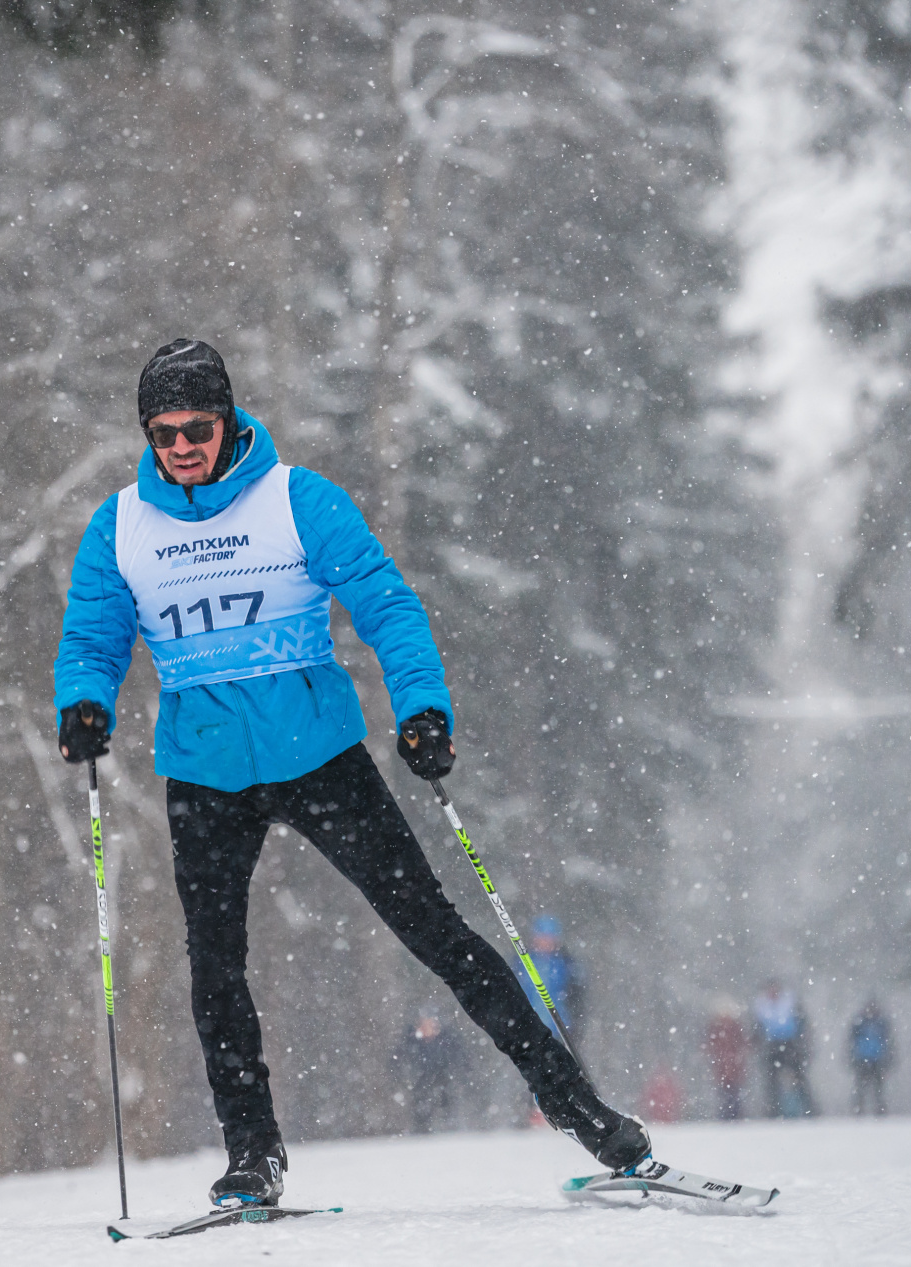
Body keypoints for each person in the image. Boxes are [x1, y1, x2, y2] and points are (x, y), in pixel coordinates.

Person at [52, 339, 650, 1209]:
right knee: (215, 969)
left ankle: (587, 1115)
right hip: (205, 773)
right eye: (164, 431)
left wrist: (423, 708)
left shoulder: (298, 500)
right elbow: (92, 635)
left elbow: (387, 604)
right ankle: (252, 1156)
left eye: (197, 427)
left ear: (227, 420)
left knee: (437, 933)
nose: (181, 445)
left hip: (319, 758)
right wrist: (84, 700)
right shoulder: (121, 527)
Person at [751, 979, 814, 1118]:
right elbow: (758, 1026)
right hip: (771, 1044)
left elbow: (802, 1022)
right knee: (771, 1081)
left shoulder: (790, 1002)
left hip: (790, 1043)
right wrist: (757, 1042)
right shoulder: (761, 1005)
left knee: (799, 1078)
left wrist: (802, 1042)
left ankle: (810, 1110)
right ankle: (773, 1112)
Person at [397, 1007, 464, 1133]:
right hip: (420, 1087)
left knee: (449, 1114)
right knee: (422, 1115)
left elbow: (461, 1061)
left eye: (434, 1022)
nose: (432, 1025)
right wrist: (408, 1080)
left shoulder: (447, 1040)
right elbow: (398, 1063)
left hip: (444, 1084)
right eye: (427, 1022)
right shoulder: (411, 1042)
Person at [522, 914, 586, 1040]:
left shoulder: (567, 964)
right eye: (541, 937)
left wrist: (576, 1028)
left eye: (549, 938)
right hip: (527, 1030)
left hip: (560, 1031)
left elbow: (577, 1001)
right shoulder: (522, 963)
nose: (545, 943)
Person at [703, 999, 749, 1121]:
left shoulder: (733, 1026)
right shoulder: (717, 1027)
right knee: (724, 1091)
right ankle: (727, 1114)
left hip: (731, 1064)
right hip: (724, 1065)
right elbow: (711, 1045)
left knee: (733, 1091)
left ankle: (733, 1115)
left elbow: (741, 1043)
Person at [848, 999, 894, 1116]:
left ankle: (878, 1111)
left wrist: (889, 1059)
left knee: (877, 1089)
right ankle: (859, 1111)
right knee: (861, 1089)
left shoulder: (881, 1023)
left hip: (877, 1059)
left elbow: (889, 1042)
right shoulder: (860, 1023)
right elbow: (851, 1041)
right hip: (862, 1058)